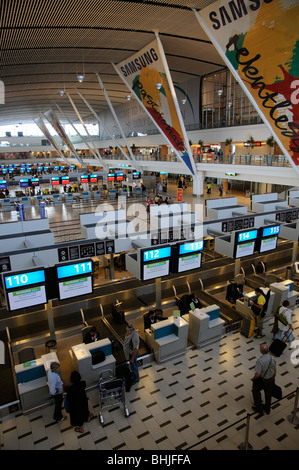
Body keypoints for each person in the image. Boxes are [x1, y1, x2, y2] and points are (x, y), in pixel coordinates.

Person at [252, 343, 276, 415]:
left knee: (255, 391)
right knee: (268, 394)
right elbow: (274, 369)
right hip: (271, 379)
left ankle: (259, 408)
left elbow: (258, 374)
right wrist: (273, 377)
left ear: (261, 351)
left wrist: (255, 379)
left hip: (263, 380)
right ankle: (267, 409)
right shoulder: (272, 358)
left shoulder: (260, 361)